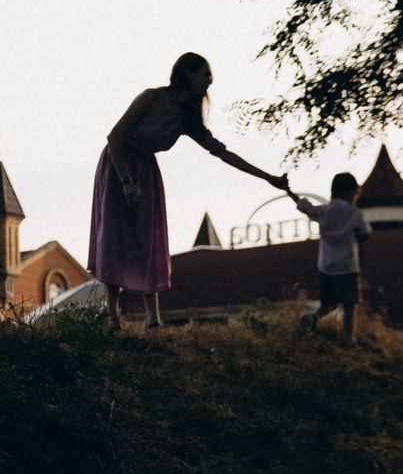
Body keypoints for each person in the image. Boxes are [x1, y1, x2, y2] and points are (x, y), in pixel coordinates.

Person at [91, 52, 286, 327]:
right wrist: (126, 182)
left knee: (148, 239)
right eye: (205, 73)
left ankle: (153, 320)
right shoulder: (151, 97)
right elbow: (115, 136)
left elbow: (222, 152)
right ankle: (113, 317)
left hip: (146, 172)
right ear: (188, 74)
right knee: (116, 236)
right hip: (118, 165)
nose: (210, 80)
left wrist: (268, 177)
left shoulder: (186, 118)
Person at [295, 171, 370, 340]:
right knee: (349, 305)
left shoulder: (323, 211)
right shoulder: (355, 213)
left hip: (326, 266)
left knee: (328, 304)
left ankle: (313, 318)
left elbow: (304, 206)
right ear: (351, 192)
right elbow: (365, 233)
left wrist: (289, 192)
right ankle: (348, 339)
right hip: (348, 266)